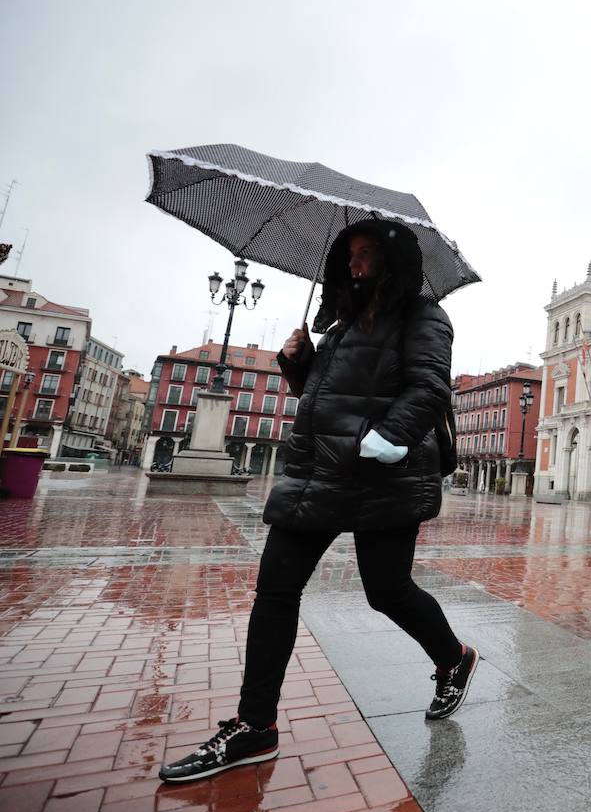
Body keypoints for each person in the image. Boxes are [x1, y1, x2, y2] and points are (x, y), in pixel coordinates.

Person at [159, 219, 475, 783]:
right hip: (317, 473)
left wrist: (390, 438)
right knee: (276, 589)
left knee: (387, 591)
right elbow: (321, 393)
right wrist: (298, 361)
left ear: (393, 260)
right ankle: (256, 725)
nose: (353, 264)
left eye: (365, 254)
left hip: (385, 475)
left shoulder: (427, 317)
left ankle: (453, 657)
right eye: (348, 255)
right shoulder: (342, 320)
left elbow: (430, 387)